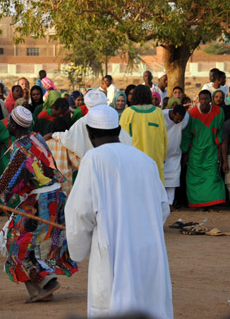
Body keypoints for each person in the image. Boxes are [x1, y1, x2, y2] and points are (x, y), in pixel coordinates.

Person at [65, 105, 172, 319]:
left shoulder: (93, 159)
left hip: (111, 249)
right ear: (118, 130)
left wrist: (77, 250)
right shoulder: (145, 160)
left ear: (90, 133)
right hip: (148, 250)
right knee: (149, 305)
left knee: (112, 305)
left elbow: (79, 212)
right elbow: (163, 207)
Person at [0, 106, 78, 303]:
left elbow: (11, 177)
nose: (7, 124)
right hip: (54, 196)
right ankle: (42, 287)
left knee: (16, 245)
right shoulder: (37, 138)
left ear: (13, 125)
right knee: (41, 244)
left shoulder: (21, 148)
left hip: (40, 202)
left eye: (9, 121)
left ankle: (46, 282)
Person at [181, 90, 226, 209]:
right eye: (202, 99)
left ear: (210, 100)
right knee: (195, 178)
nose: (204, 101)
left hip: (212, 151)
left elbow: (220, 133)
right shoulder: (192, 114)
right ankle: (198, 203)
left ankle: (213, 203)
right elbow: (187, 136)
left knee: (213, 177)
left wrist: (220, 152)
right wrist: (185, 153)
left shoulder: (219, 112)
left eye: (207, 99)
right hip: (196, 153)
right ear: (198, 100)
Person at [119, 85, 167, 183]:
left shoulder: (127, 113)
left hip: (132, 161)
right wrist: (163, 158)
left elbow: (121, 139)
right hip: (154, 160)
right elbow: (164, 137)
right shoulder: (158, 112)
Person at [163, 104, 189, 209]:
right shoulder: (161, 115)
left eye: (180, 120)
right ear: (172, 113)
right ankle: (162, 203)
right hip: (161, 154)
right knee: (161, 179)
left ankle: (170, 203)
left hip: (174, 154)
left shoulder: (185, 118)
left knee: (173, 179)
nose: (178, 121)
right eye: (177, 119)